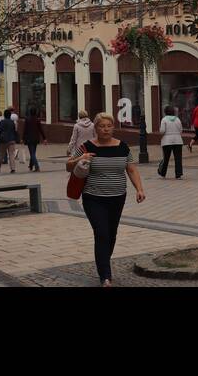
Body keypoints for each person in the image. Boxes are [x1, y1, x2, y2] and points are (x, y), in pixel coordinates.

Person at [67, 112, 145, 287]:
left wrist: (139, 189)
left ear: (113, 128)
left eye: (109, 126)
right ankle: (105, 276)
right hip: (93, 198)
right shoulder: (86, 146)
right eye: (102, 126)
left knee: (111, 234)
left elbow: (131, 169)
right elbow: (68, 165)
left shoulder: (122, 147)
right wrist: (81, 158)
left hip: (118, 197)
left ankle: (102, 261)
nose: (106, 129)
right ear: (95, 128)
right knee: (102, 233)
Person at [157, 105, 184, 179]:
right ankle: (178, 175)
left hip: (167, 141)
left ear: (165, 112)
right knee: (178, 158)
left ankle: (163, 173)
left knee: (166, 158)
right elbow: (181, 130)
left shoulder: (164, 119)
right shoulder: (177, 119)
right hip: (178, 141)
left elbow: (162, 131)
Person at [0, 107, 19, 173]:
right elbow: (14, 130)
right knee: (11, 154)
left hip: (4, 140)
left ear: (4, 115)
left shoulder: (2, 122)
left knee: (2, 154)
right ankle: (13, 169)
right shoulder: (12, 122)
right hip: (12, 140)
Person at [23, 106, 46, 172]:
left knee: (32, 153)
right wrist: (44, 138)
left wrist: (22, 138)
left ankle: (37, 167)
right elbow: (41, 129)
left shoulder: (27, 119)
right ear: (36, 112)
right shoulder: (37, 120)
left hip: (29, 138)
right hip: (36, 138)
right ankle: (30, 166)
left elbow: (25, 129)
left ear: (30, 112)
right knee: (33, 153)